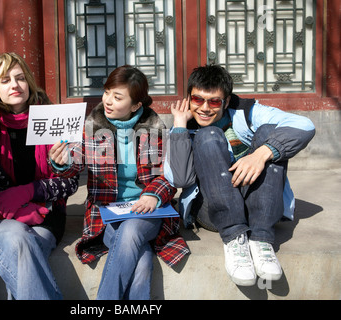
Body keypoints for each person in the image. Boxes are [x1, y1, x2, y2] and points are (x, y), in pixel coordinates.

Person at [165, 64, 315, 286]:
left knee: (269, 132)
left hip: (254, 202)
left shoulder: (246, 111)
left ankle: (261, 238)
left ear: (226, 101)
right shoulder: (183, 128)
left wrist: (262, 154)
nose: (205, 108)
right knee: (208, 135)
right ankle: (234, 237)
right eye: (197, 100)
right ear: (189, 99)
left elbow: (305, 125)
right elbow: (179, 179)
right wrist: (179, 125)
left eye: (214, 101)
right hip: (212, 208)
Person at [48, 65, 190, 299]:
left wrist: (152, 195)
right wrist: (63, 161)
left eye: (117, 97)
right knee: (142, 257)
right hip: (107, 213)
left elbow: (170, 175)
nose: (108, 101)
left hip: (147, 210)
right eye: (106, 92)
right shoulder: (93, 126)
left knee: (132, 229)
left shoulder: (154, 128)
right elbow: (76, 159)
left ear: (136, 105)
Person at [0, 52, 79, 300]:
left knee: (22, 250)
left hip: (47, 216)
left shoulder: (52, 119)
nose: (15, 85)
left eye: (20, 78)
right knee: (18, 241)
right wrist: (16, 204)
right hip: (1, 218)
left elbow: (71, 181)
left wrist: (34, 188)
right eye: (5, 80)